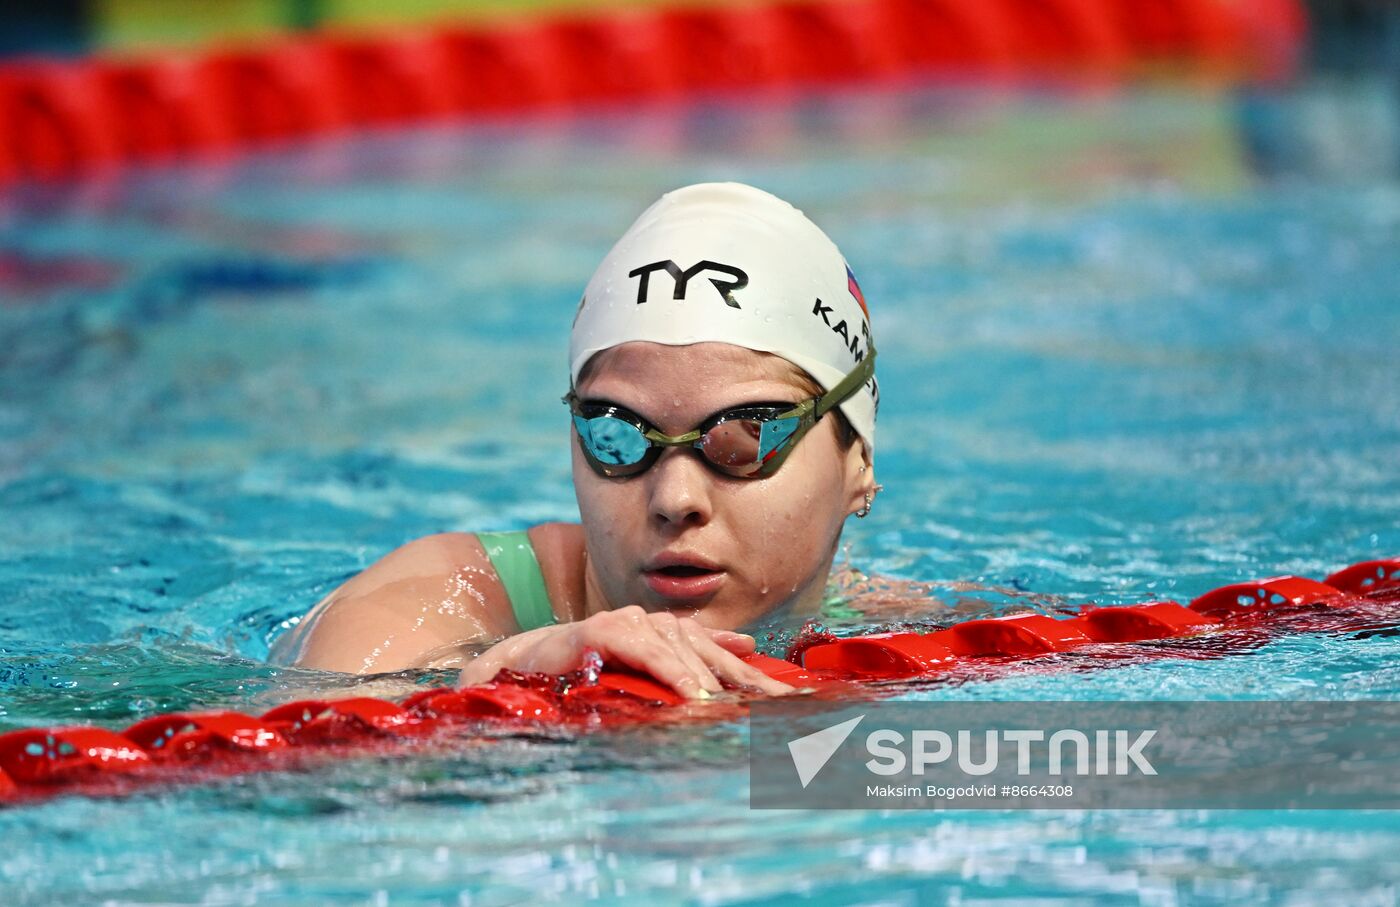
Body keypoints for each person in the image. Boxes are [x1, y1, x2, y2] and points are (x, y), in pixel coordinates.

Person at [270, 182, 881, 699]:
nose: (674, 499)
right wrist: (502, 689)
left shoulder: (888, 619)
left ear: (858, 459)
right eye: (617, 434)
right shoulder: (421, 608)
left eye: (745, 439)